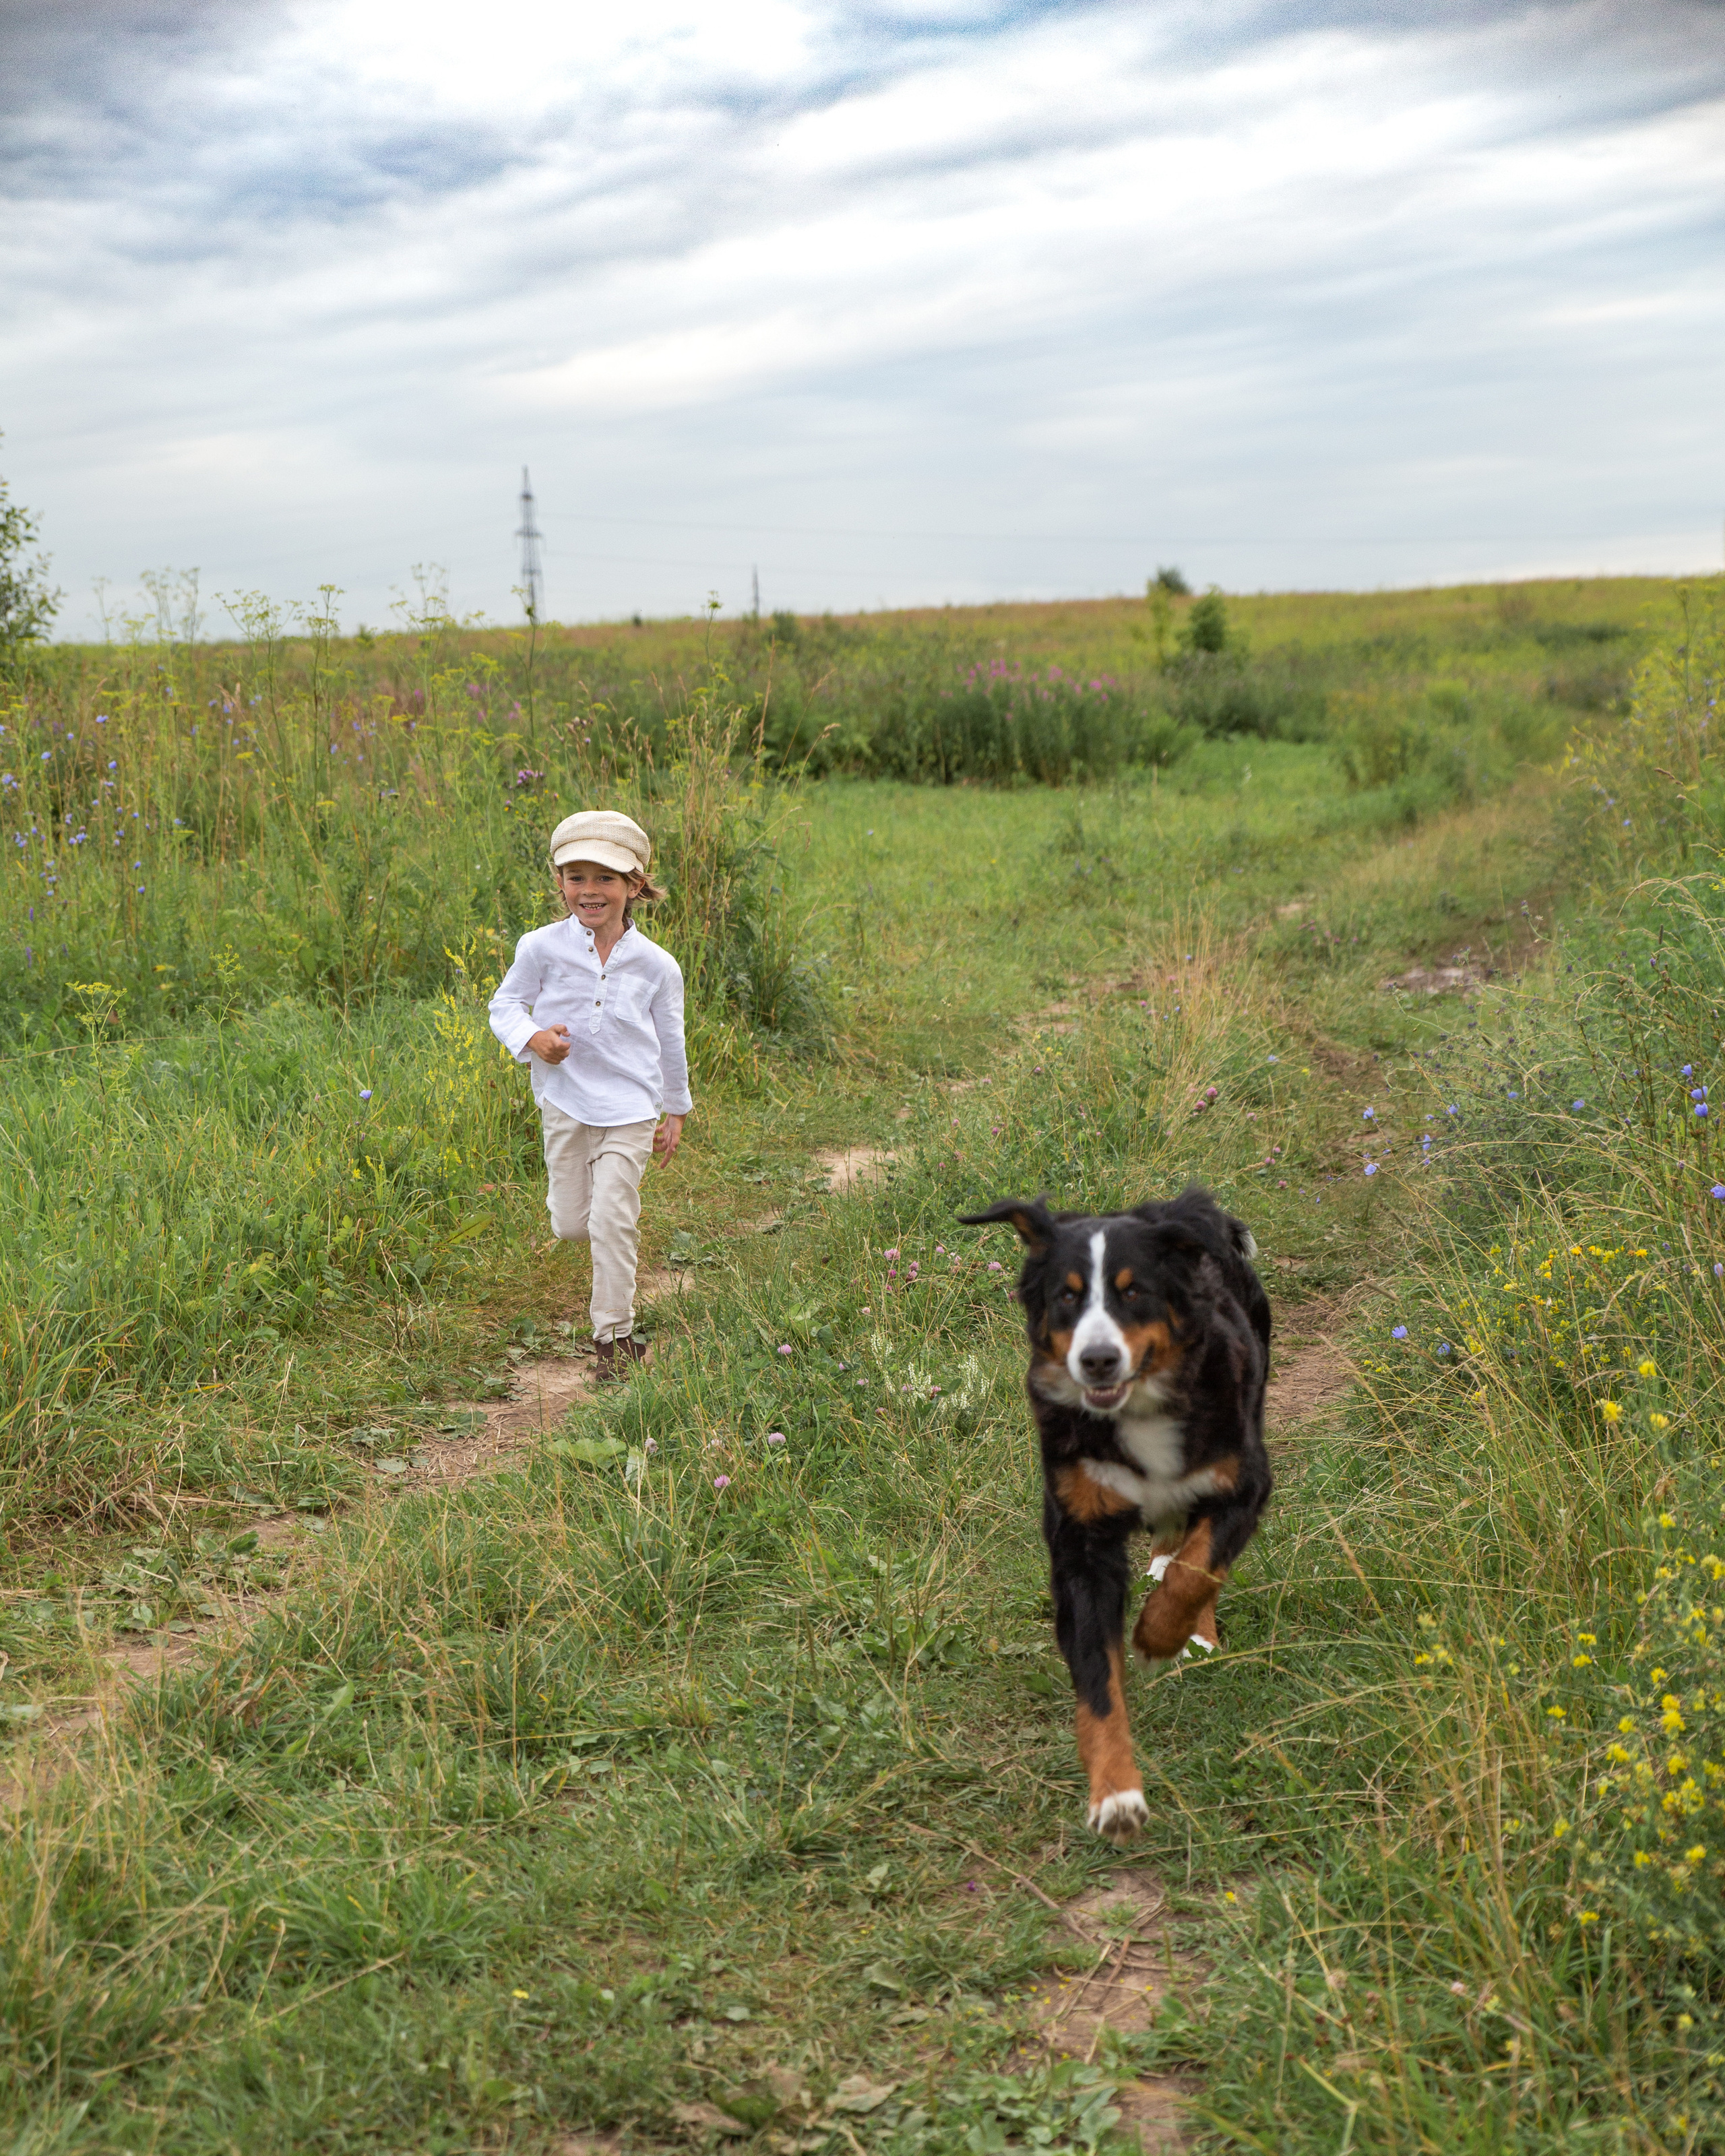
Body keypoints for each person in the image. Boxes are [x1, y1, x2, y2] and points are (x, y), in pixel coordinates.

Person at [488, 809, 692, 1381]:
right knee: (572, 1224)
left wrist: (676, 1108)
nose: (590, 891)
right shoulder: (541, 948)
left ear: (633, 885)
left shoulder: (657, 966)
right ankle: (607, 1267)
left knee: (611, 1220)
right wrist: (533, 1038)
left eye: (605, 878)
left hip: (630, 1107)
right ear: (560, 884)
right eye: (576, 877)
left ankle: (615, 1339)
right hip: (566, 1103)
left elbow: (671, 1041)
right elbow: (504, 1006)